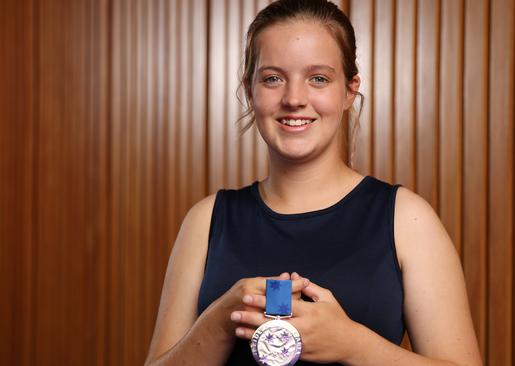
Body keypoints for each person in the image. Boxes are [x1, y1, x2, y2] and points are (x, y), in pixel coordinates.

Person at [145, 0, 482, 365]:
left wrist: (353, 344)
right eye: (273, 78)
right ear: (250, 89)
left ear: (350, 90)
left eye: (318, 78)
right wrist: (221, 320)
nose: (293, 99)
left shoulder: (407, 219)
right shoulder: (207, 220)